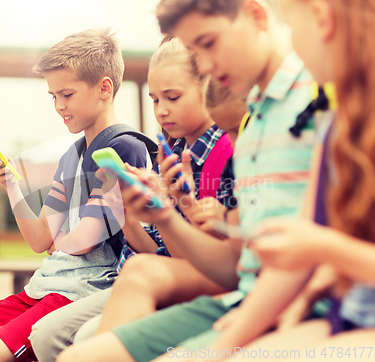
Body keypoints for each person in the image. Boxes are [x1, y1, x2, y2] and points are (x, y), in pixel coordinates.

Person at [56, 0, 319, 361]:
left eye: (208, 44)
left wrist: (233, 334)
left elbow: (302, 257)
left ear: (256, 16)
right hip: (247, 296)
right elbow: (241, 263)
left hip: (290, 307)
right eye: (197, 52)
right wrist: (165, 214)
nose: (207, 66)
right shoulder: (255, 122)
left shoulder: (311, 106)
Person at [0, 28, 152, 362]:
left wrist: (59, 236)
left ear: (104, 88)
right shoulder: (71, 157)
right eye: (53, 96)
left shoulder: (125, 148)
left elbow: (81, 243)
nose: (59, 106)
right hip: (44, 285)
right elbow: (40, 239)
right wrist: (11, 186)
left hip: (84, 291)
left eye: (67, 94)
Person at [180, 0, 375, 360]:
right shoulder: (337, 126)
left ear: (322, 18)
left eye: (289, 25)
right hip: (345, 321)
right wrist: (219, 349)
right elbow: (301, 255)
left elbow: (316, 245)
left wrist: (327, 250)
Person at [29, 37, 240, 362]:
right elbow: (153, 249)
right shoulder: (167, 157)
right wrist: (128, 212)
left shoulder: (221, 155)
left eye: (172, 97)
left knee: (74, 340)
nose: (161, 110)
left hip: (138, 280)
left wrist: (173, 209)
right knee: (46, 336)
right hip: (132, 275)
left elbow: (206, 260)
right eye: (155, 100)